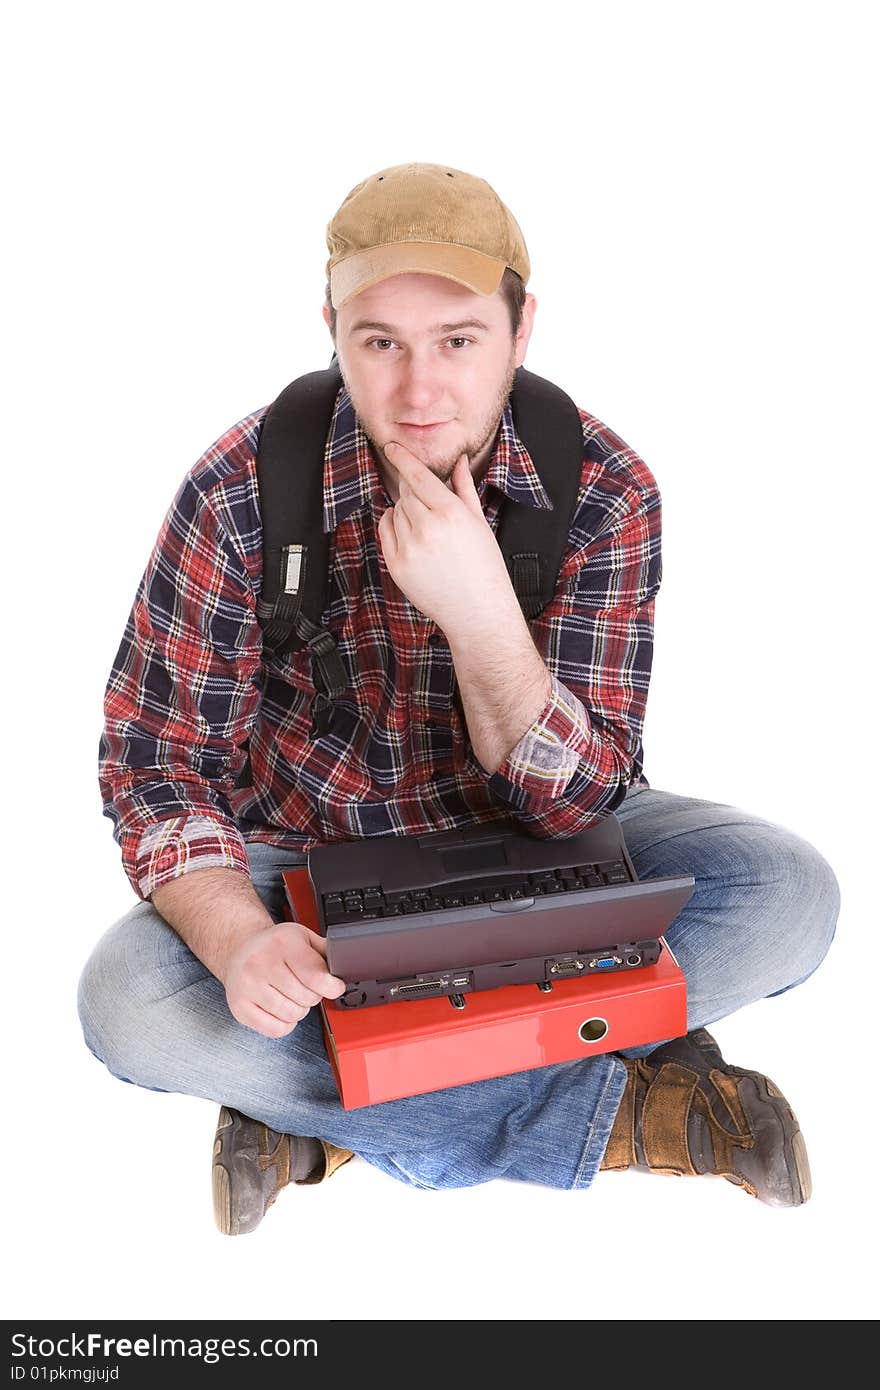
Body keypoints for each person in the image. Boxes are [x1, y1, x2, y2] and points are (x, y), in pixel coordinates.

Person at [77, 162, 840, 1235]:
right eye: (379, 341)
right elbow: (156, 767)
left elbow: (579, 806)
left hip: (531, 873)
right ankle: (628, 1105)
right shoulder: (242, 486)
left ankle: (323, 1110)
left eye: (458, 341)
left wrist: (483, 615)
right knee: (129, 1006)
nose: (418, 391)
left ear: (522, 332)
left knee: (785, 891)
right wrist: (237, 940)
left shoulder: (606, 491)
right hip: (306, 878)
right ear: (332, 329)